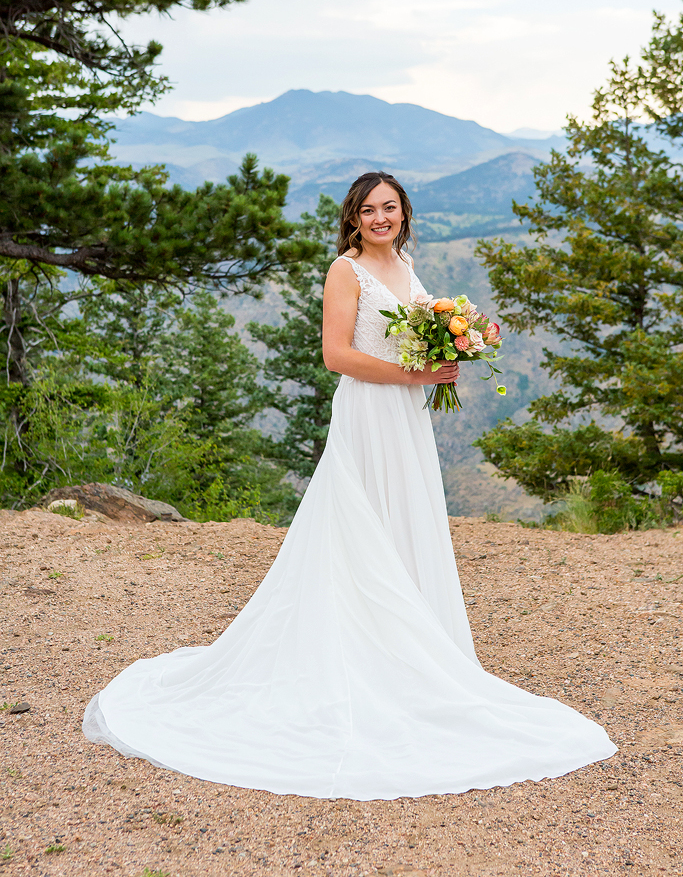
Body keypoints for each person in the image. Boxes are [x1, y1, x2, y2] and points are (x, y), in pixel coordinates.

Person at [83, 171, 616, 800]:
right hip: (369, 410)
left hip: (406, 416)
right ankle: (358, 658)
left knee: (402, 521)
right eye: (370, 210)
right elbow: (337, 356)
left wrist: (439, 363)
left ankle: (416, 657)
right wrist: (409, 373)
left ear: (404, 213)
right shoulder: (347, 270)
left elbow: (408, 337)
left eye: (390, 208)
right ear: (354, 218)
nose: (381, 218)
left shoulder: (406, 262)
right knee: (360, 524)